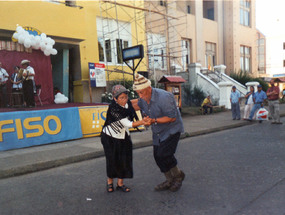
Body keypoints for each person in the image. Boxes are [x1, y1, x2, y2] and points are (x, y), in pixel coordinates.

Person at [131, 74, 185, 192]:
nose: (140, 96)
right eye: (138, 93)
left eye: (141, 93)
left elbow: (172, 118)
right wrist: (119, 104)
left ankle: (178, 175)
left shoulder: (164, 97)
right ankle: (169, 179)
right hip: (158, 130)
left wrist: (153, 120)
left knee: (164, 154)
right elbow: (135, 104)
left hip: (171, 129)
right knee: (157, 157)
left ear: (149, 88)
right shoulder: (143, 99)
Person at [101, 85, 149, 193]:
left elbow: (137, 103)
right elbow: (128, 123)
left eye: (125, 97)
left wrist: (145, 98)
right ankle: (109, 182)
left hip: (123, 136)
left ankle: (120, 183)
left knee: (124, 160)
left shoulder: (128, 105)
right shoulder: (113, 109)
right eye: (121, 98)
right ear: (115, 99)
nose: (124, 100)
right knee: (112, 160)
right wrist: (143, 122)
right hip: (110, 137)